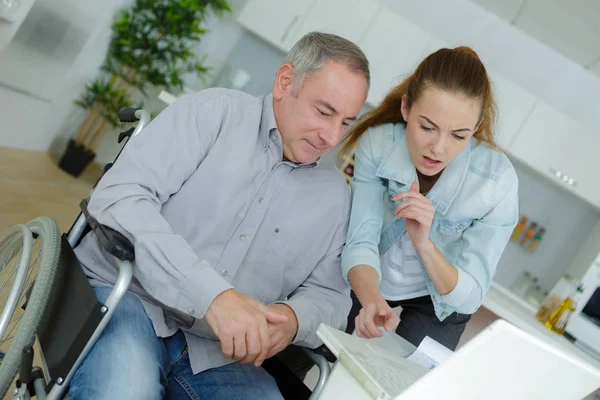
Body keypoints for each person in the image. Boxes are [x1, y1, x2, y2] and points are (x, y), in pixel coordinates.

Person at [69, 32, 370, 400]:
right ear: (284, 81)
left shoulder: (335, 196)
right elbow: (119, 199)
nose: (331, 136)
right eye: (323, 112)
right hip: (128, 298)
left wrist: (292, 321)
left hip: (218, 353)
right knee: (126, 390)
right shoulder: (212, 114)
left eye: (346, 122)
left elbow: (330, 296)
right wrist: (213, 296)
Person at [338, 46, 519, 350]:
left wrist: (424, 244)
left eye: (458, 135)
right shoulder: (379, 143)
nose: (438, 148)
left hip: (440, 299)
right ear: (406, 107)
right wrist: (370, 300)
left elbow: (470, 295)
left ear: (474, 129)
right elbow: (360, 241)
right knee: (311, 346)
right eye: (427, 127)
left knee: (410, 387)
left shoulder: (496, 182)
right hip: (369, 271)